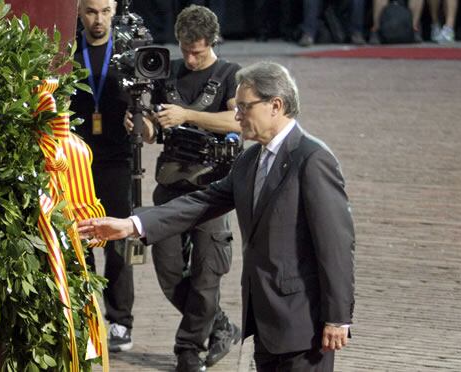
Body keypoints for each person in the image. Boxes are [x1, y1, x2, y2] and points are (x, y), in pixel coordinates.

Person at [80, 61, 356, 371]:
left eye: (244, 107)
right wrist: (132, 224)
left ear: (275, 105)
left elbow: (336, 245)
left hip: (304, 324)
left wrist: (337, 317)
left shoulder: (312, 159)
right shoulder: (251, 159)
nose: (237, 116)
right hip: (266, 323)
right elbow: (202, 202)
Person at [125, 5, 242, 371]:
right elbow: (152, 132)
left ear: (213, 42)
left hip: (212, 191)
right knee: (170, 273)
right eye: (186, 50)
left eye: (199, 52)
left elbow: (237, 119)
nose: (191, 59)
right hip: (170, 186)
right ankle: (219, 323)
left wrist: (188, 115)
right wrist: (138, 122)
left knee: (207, 274)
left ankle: (188, 350)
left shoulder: (229, 75)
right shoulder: (166, 71)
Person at [71, 0, 136, 352]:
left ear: (115, 11)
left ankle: (120, 321)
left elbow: (147, 105)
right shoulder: (68, 52)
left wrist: (139, 119)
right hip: (77, 161)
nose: (99, 19)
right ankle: (84, 318)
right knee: (80, 238)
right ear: (80, 12)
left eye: (106, 11)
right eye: (92, 12)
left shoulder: (127, 52)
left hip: (116, 160)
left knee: (117, 241)